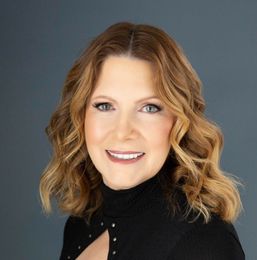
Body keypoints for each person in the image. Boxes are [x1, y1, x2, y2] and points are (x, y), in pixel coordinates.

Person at [39, 22, 245, 259]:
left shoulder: (204, 243)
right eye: (105, 106)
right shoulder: (81, 223)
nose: (123, 131)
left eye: (149, 108)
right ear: (80, 116)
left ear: (178, 121)